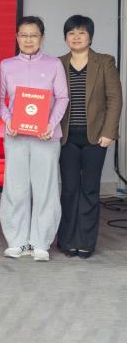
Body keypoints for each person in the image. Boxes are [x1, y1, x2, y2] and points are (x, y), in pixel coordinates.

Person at [0, 16, 68, 262]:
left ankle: (41, 242)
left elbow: (62, 98)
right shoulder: (6, 65)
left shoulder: (54, 64)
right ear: (17, 37)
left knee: (45, 189)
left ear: (42, 37)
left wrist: (50, 125)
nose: (28, 40)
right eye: (24, 35)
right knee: (15, 188)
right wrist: (8, 121)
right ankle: (16, 241)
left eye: (34, 35)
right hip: (16, 137)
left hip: (45, 137)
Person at [57, 15, 123, 258]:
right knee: (69, 190)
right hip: (65, 138)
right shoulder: (58, 63)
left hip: (96, 137)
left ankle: (85, 242)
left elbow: (115, 99)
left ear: (90, 37)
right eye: (71, 33)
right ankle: (67, 241)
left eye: (81, 32)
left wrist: (109, 132)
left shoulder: (104, 62)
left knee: (89, 190)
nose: (76, 37)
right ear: (65, 38)